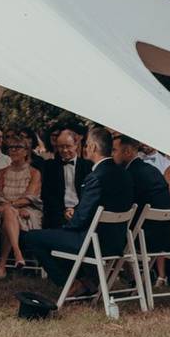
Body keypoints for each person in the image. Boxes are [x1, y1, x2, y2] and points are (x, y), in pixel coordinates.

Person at [21, 127, 134, 296]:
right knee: (56, 235)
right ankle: (87, 281)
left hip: (93, 243)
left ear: (94, 147)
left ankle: (69, 283)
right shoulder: (123, 173)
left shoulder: (95, 176)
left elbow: (80, 220)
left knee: (32, 237)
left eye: (87, 144)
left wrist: (66, 227)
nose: (85, 147)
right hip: (117, 242)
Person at [0, 139, 42, 278]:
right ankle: (17, 252)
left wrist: (11, 207)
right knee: (9, 214)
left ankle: (2, 265)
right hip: (5, 211)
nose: (13, 150)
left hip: (27, 211)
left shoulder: (34, 172)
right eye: (11, 147)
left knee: (8, 213)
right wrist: (11, 208)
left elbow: (29, 197)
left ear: (26, 151)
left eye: (18, 147)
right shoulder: (2, 172)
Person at [113, 135, 170, 256]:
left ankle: (106, 273)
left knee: (102, 231)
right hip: (164, 236)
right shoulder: (152, 170)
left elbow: (122, 207)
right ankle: (129, 274)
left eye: (114, 150)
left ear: (128, 152)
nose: (111, 154)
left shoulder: (129, 175)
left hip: (143, 239)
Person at [41, 130, 92, 228]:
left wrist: (75, 210)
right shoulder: (50, 166)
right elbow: (47, 195)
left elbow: (89, 194)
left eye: (68, 146)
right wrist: (63, 212)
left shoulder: (87, 166)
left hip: (81, 213)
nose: (64, 150)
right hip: (57, 214)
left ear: (76, 145)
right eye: (61, 146)